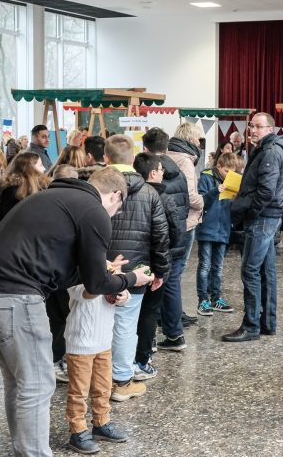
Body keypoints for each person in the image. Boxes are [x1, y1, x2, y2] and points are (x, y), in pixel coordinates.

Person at [0, 167, 154, 456]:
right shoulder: (94, 211)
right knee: (38, 382)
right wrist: (131, 279)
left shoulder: (55, 197)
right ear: (115, 195)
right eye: (118, 208)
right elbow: (96, 283)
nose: (114, 215)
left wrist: (103, 270)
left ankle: (24, 448)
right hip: (12, 293)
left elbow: (62, 273)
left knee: (19, 381)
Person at [104, 135, 170, 396]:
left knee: (96, 326)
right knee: (125, 326)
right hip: (136, 272)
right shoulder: (149, 192)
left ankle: (96, 380)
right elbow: (160, 236)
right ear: (133, 159)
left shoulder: (94, 187)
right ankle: (121, 381)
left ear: (106, 159)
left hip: (99, 267)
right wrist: (161, 271)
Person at [223, 112, 283, 342]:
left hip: (262, 218)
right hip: (268, 216)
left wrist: (250, 213)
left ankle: (251, 325)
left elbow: (266, 191)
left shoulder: (270, 152)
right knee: (266, 271)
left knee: (250, 270)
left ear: (270, 130)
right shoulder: (270, 149)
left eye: (259, 127)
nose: (253, 130)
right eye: (251, 126)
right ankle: (267, 323)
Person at [141, 128, 192, 352]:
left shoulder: (148, 173)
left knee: (150, 291)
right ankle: (175, 335)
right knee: (172, 286)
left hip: (157, 241)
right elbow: (187, 200)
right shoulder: (179, 171)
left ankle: (148, 339)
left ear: (145, 149)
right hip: (179, 236)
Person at [64, 282, 130, 454]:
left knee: (104, 387)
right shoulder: (76, 271)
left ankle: (101, 423)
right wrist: (105, 279)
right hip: (80, 343)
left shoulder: (108, 267)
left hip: (104, 341)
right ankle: (77, 431)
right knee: (79, 392)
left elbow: (123, 293)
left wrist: (123, 294)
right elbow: (85, 293)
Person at [168, 122, 206, 326]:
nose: (200, 144)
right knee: (177, 271)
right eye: (199, 139)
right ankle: (174, 316)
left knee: (169, 270)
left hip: (169, 218)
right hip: (186, 221)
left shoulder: (167, 154)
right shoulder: (186, 161)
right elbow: (192, 196)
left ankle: (170, 312)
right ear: (191, 139)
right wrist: (204, 202)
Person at [195, 152, 239, 316]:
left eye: (233, 171)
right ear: (219, 166)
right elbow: (201, 201)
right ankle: (202, 300)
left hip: (223, 228)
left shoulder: (232, 182)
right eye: (227, 171)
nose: (230, 174)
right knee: (205, 265)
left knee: (218, 267)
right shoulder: (206, 177)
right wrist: (215, 191)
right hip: (207, 228)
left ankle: (216, 299)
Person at [0, 152, 50, 225]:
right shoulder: (40, 190)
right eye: (41, 165)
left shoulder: (7, 189)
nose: (44, 168)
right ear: (30, 169)